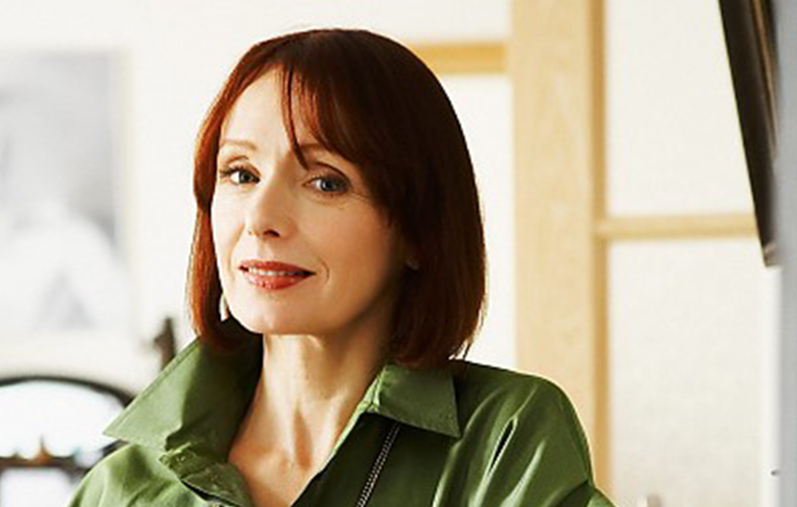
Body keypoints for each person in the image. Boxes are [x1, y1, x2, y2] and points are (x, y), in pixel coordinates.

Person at [68, 28, 614, 507]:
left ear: (418, 229)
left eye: (325, 182)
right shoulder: (122, 489)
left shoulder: (505, 439)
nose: (260, 218)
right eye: (240, 173)